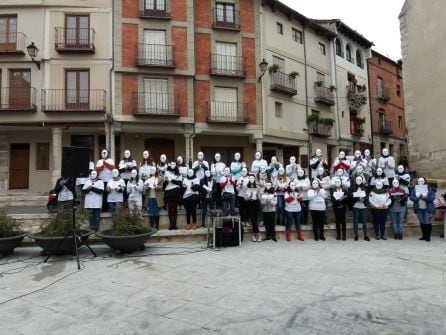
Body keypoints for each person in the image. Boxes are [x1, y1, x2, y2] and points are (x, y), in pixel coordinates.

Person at [410, 177, 436, 242]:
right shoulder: (415, 189)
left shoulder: (430, 189)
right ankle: (424, 236)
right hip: (419, 208)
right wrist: (418, 198)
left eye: (422, 181)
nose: (420, 182)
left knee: (427, 222)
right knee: (422, 222)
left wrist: (425, 198)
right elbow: (411, 197)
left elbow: (432, 198)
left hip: (427, 208)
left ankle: (428, 237)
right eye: (419, 181)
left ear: (425, 181)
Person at [349, 176, 370, 241]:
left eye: (360, 180)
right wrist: (358, 198)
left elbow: (368, 194)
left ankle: (365, 236)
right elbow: (350, 196)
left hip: (363, 206)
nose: (358, 181)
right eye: (357, 180)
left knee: (364, 221)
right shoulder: (352, 187)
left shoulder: (365, 187)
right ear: (355, 180)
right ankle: (356, 235)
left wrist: (364, 199)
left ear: (362, 180)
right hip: (356, 206)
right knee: (356, 221)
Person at [164, 161, 182, 230]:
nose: (172, 165)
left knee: (174, 208)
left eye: (174, 164)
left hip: (175, 192)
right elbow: (164, 184)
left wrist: (171, 180)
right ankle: (171, 223)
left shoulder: (178, 174)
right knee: (170, 208)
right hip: (168, 192)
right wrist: (166, 181)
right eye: (171, 164)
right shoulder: (167, 172)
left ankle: (175, 223)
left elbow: (179, 182)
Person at [245, 175, 261, 242]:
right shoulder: (246, 187)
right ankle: (258, 235)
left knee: (255, 219)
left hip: (256, 203)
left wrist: (257, 195)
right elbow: (245, 198)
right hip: (249, 203)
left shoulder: (257, 187)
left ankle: (254, 235)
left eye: (253, 178)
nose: (251, 179)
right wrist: (250, 196)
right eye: (250, 178)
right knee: (253, 218)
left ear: (254, 179)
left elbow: (260, 198)